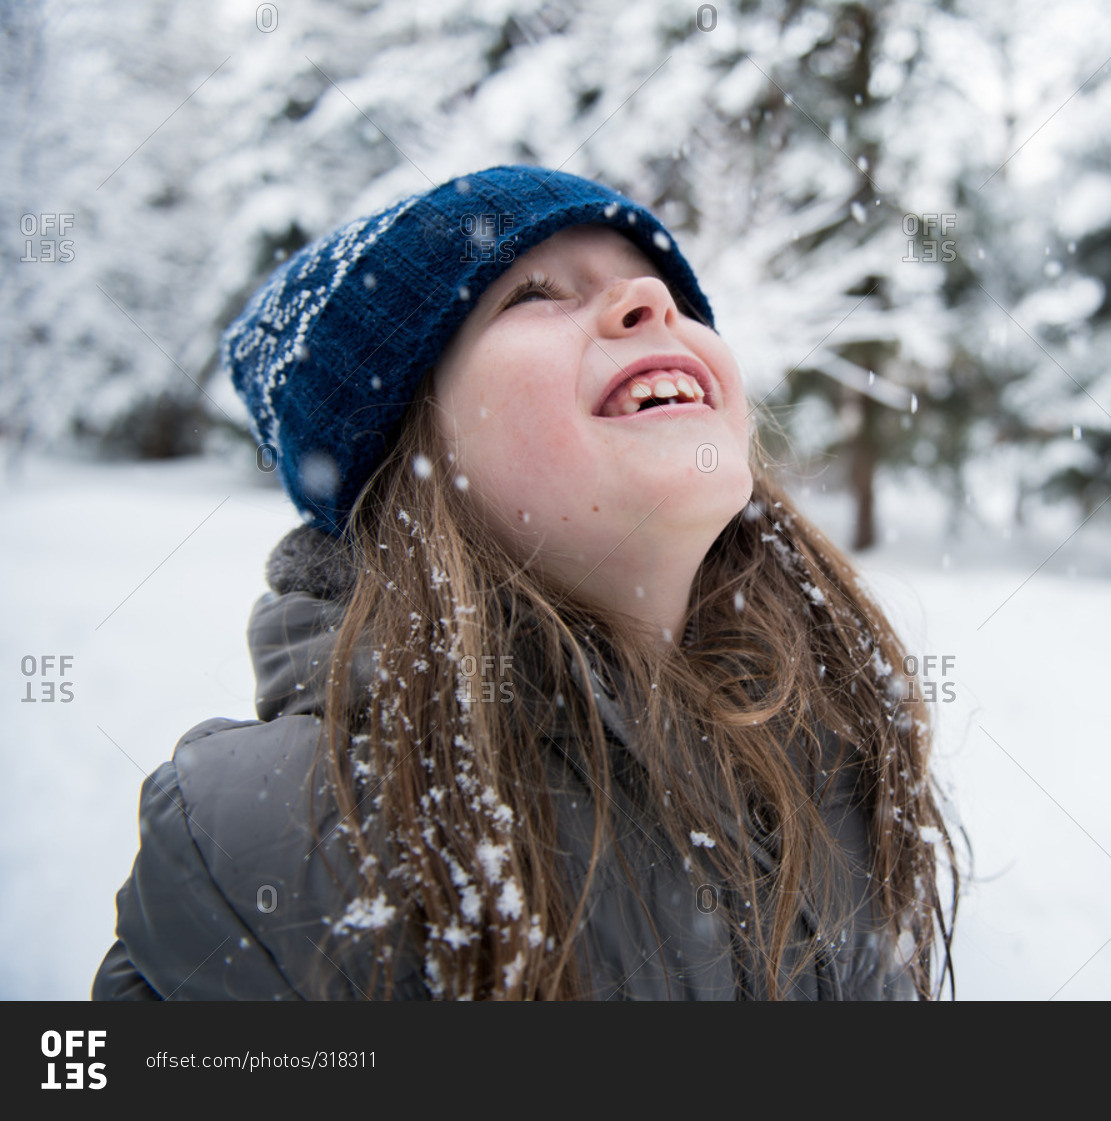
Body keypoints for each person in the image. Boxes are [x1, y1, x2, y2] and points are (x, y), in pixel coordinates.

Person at [92, 165, 957, 1001]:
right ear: (410, 458)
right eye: (534, 294)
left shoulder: (830, 739)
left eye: (666, 292)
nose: (652, 302)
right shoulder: (275, 847)